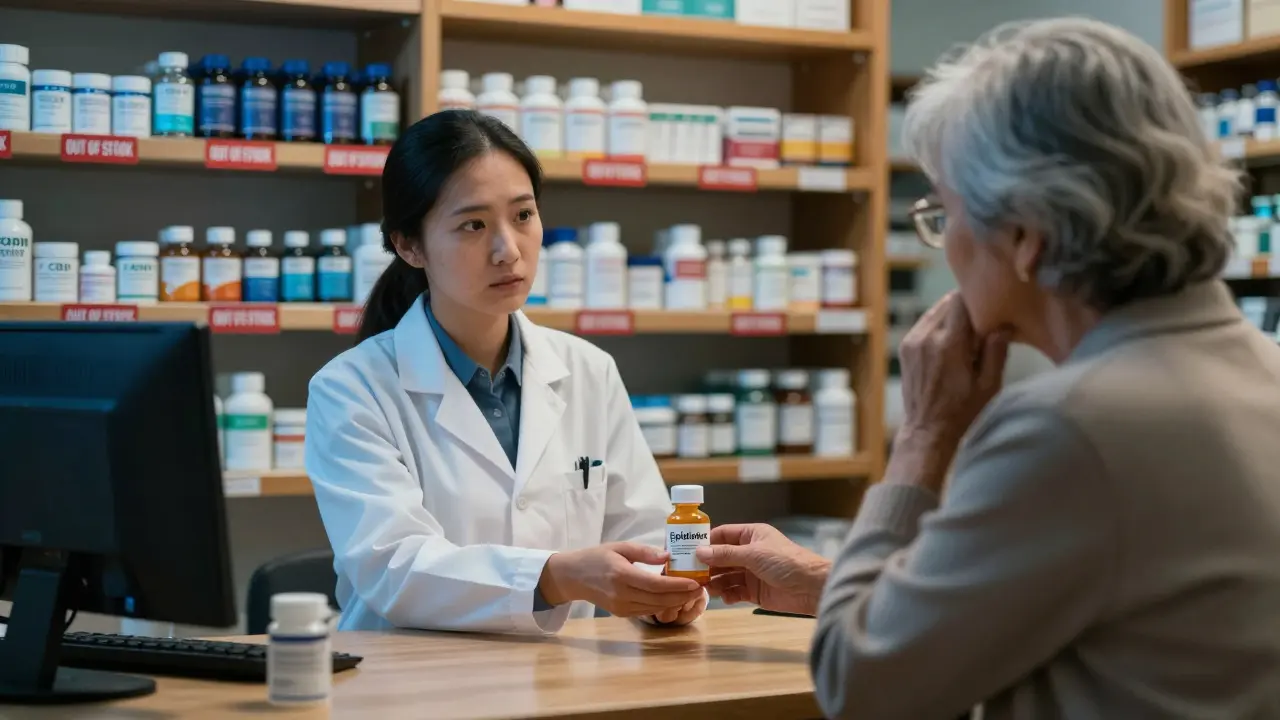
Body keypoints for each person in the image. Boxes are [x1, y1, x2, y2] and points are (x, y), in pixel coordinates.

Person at [697, 17, 1280, 719]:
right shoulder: (1254, 366)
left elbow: (859, 686)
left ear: (1026, 236)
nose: (945, 245)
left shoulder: (1070, 429)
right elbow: (1076, 591)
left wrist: (921, 440)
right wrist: (828, 583)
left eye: (944, 213)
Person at [305, 110, 706, 634]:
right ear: (409, 245)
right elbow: (393, 567)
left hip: (564, 685)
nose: (509, 250)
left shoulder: (588, 370)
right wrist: (553, 577)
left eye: (523, 216)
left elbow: (646, 531)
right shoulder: (351, 390)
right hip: (411, 688)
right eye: (473, 225)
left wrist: (665, 589)